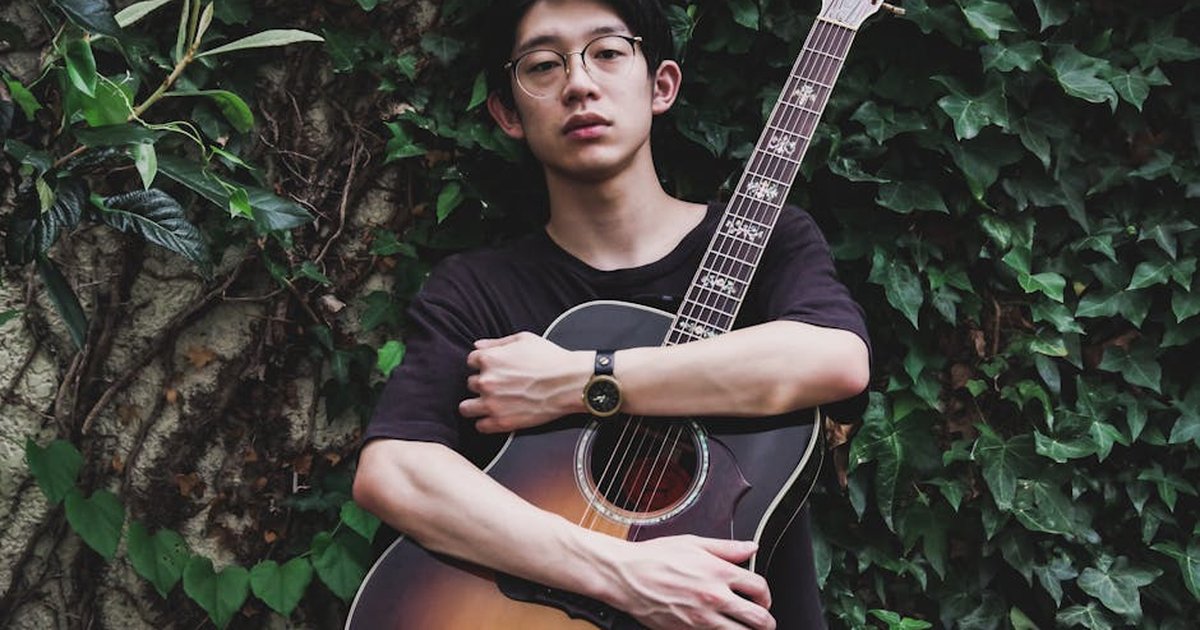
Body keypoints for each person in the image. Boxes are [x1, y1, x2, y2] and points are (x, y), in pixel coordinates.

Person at [352, 0, 871, 627]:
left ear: (662, 85)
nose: (578, 83)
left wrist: (577, 382)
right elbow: (395, 473)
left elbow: (834, 359)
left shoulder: (770, 241)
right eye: (543, 65)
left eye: (607, 52)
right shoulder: (475, 289)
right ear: (507, 114)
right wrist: (622, 572)